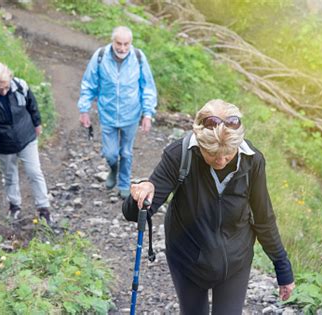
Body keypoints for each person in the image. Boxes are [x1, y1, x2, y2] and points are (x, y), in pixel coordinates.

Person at [123, 99, 295, 314]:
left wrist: (282, 268)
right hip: (187, 258)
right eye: (212, 154)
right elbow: (135, 213)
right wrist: (140, 193)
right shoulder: (179, 155)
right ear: (199, 140)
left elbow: (263, 218)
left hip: (235, 260)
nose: (221, 160)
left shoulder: (253, 161)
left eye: (228, 153)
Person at [77, 26, 157, 199]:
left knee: (126, 152)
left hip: (131, 115)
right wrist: (84, 110)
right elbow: (88, 84)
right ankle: (113, 169)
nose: (122, 48)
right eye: (119, 43)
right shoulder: (100, 57)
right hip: (108, 114)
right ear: (112, 41)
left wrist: (148, 114)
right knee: (111, 153)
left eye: (126, 44)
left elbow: (148, 87)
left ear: (131, 43)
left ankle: (123, 183)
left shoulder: (138, 58)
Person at [0, 62, 52, 223]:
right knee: (9, 177)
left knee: (34, 172)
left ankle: (44, 210)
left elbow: (32, 106)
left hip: (26, 137)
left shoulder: (20, 86)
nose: (3, 91)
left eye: (6, 87)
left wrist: (37, 124)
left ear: (10, 79)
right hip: (3, 144)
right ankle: (14, 206)